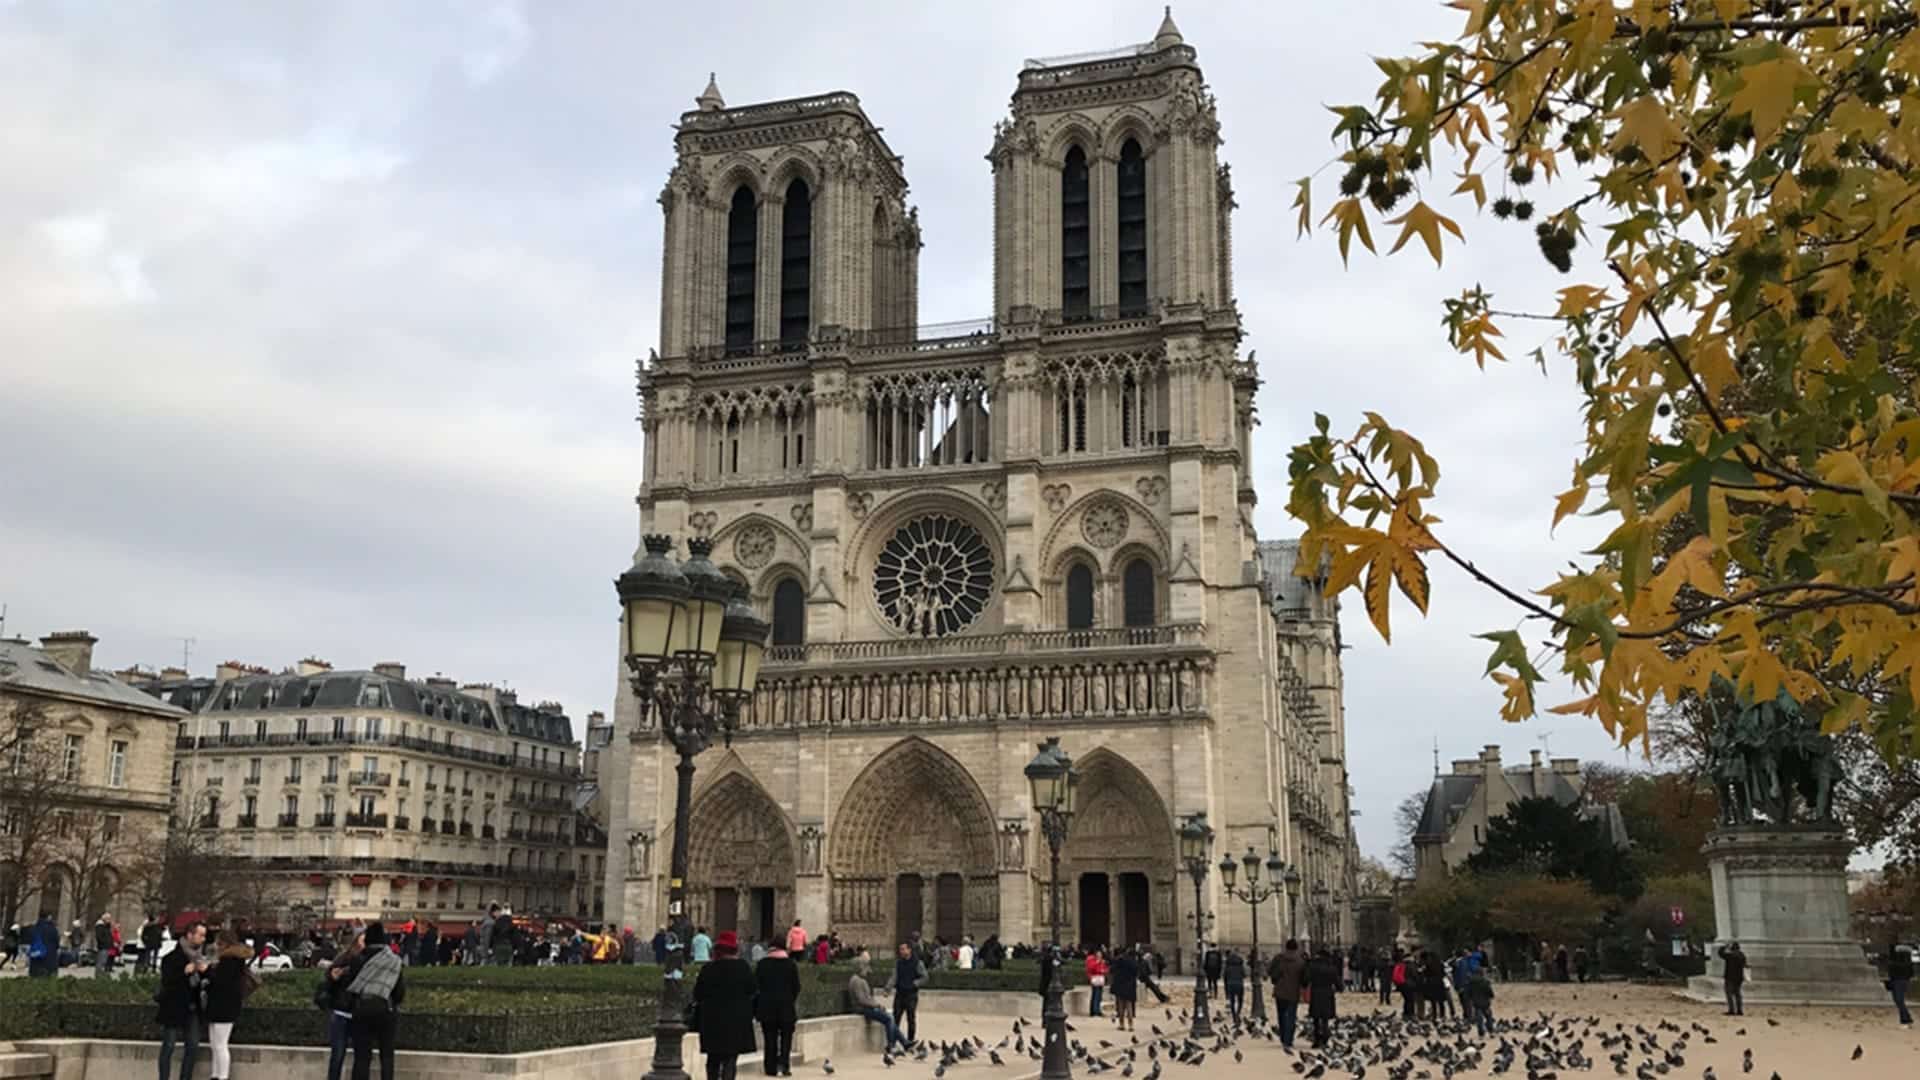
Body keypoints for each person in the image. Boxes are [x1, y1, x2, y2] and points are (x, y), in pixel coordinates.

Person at [692, 931, 756, 1080]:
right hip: (736, 1020)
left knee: (713, 1059)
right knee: (730, 1059)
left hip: (712, 1021)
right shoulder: (743, 967)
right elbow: (752, 989)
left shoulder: (708, 968)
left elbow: (698, 994)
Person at [155, 921, 208, 1080]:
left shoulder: (200, 958)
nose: (203, 939)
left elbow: (204, 984)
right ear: (189, 935)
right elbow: (167, 981)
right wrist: (183, 972)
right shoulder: (171, 958)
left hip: (193, 1007)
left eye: (204, 935)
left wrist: (206, 973)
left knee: (193, 1046)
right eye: (200, 935)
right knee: (169, 1045)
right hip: (174, 1007)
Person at [203, 929, 256, 1080]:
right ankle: (216, 1074)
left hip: (223, 1006)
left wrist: (207, 972)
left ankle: (222, 1076)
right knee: (216, 1044)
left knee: (220, 1045)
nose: (216, 945)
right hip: (224, 1005)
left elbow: (220, 982)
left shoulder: (229, 961)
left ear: (223, 943)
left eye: (218, 942)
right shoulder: (234, 960)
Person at [321, 932, 366, 1080]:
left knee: (361, 1057)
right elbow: (328, 982)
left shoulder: (369, 961)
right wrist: (332, 977)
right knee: (338, 1055)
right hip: (341, 1013)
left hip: (358, 1014)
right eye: (362, 940)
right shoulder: (344, 958)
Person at [848, 952, 910, 1052]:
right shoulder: (856, 981)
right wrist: (876, 1005)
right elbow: (861, 1000)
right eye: (865, 968)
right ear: (860, 968)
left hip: (867, 1008)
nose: (867, 971)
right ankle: (891, 1044)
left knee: (889, 1017)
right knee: (888, 1019)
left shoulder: (859, 980)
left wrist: (876, 1006)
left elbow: (866, 999)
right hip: (863, 1009)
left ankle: (904, 1042)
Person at [755, 939, 800, 1076]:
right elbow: (796, 986)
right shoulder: (790, 964)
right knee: (786, 1038)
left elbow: (757, 986)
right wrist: (789, 999)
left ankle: (770, 1067)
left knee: (770, 1039)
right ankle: (784, 1065)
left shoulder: (762, 964)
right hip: (786, 1007)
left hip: (767, 1007)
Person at [885, 941, 928, 1045]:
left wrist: (915, 984)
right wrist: (888, 988)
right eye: (900, 949)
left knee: (911, 1018)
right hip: (900, 994)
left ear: (909, 950)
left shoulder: (917, 963)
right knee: (895, 1018)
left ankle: (910, 1040)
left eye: (903, 949)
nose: (901, 951)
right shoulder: (898, 963)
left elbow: (925, 977)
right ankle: (892, 1041)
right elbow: (894, 977)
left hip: (911, 995)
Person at [1268, 940, 1305, 1050]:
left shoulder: (1279, 958)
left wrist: (1276, 979)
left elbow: (1270, 971)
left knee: (1281, 1014)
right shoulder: (1300, 961)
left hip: (1280, 991)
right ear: (1296, 948)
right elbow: (1303, 978)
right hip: (1294, 992)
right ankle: (1289, 1039)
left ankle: (1284, 1036)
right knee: (1291, 1016)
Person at [1305, 947, 1339, 1048]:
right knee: (1325, 1018)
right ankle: (1325, 1038)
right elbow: (1337, 982)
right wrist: (1338, 987)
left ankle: (1316, 1039)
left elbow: (1306, 979)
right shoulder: (1331, 967)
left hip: (1316, 993)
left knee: (1316, 1018)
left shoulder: (1312, 967)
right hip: (1327, 994)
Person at [1108, 947, 1139, 1032]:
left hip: (1120, 985)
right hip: (1130, 986)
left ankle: (1121, 1024)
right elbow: (1136, 973)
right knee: (1129, 1006)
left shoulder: (1119, 960)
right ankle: (1130, 1025)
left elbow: (1112, 970)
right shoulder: (1133, 962)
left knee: (1120, 1006)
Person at [1887, 942, 1913, 1027]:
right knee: (1898, 1000)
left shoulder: (1902, 960)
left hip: (1900, 980)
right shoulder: (1901, 959)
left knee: (1899, 1000)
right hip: (1898, 979)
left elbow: (1907, 970)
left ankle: (1906, 1020)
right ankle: (1906, 1018)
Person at [1463, 967, 1495, 1036]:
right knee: (1488, 1017)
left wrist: (1470, 1000)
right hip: (1486, 1003)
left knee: (1479, 1019)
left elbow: (1467, 994)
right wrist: (1490, 997)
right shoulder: (1485, 982)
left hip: (1476, 1004)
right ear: (1482, 974)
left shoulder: (1470, 983)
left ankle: (1481, 1034)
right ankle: (1491, 1031)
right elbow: (1490, 993)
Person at [1718, 942, 1747, 1016]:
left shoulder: (1730, 955)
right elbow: (1744, 965)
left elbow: (1720, 953)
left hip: (1729, 977)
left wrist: (1724, 946)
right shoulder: (1742, 956)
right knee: (1738, 994)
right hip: (1739, 978)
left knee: (1729, 994)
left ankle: (1732, 1010)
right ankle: (1739, 1010)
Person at [27, 911, 59, 977]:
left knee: (35, 976)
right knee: (48, 977)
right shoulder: (52, 928)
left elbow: (30, 940)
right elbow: (56, 942)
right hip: (49, 957)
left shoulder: (34, 928)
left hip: (36, 956)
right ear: (48, 917)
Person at [1221, 948, 1245, 1024]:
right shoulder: (1240, 966)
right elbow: (1244, 975)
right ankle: (1238, 1012)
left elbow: (1225, 976)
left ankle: (1234, 1015)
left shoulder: (1228, 966)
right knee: (1240, 1000)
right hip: (1239, 984)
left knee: (1232, 1001)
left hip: (1230, 984)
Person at [1084, 947, 1108, 1018]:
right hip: (1095, 978)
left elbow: (1105, 968)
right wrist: (1097, 963)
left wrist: (1104, 971)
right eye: (1098, 954)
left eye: (1100, 954)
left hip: (1100, 978)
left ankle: (1096, 1010)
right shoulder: (1092, 960)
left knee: (1098, 995)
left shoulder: (1102, 961)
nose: (1100, 955)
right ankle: (1095, 1011)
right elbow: (1091, 968)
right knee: (1096, 995)